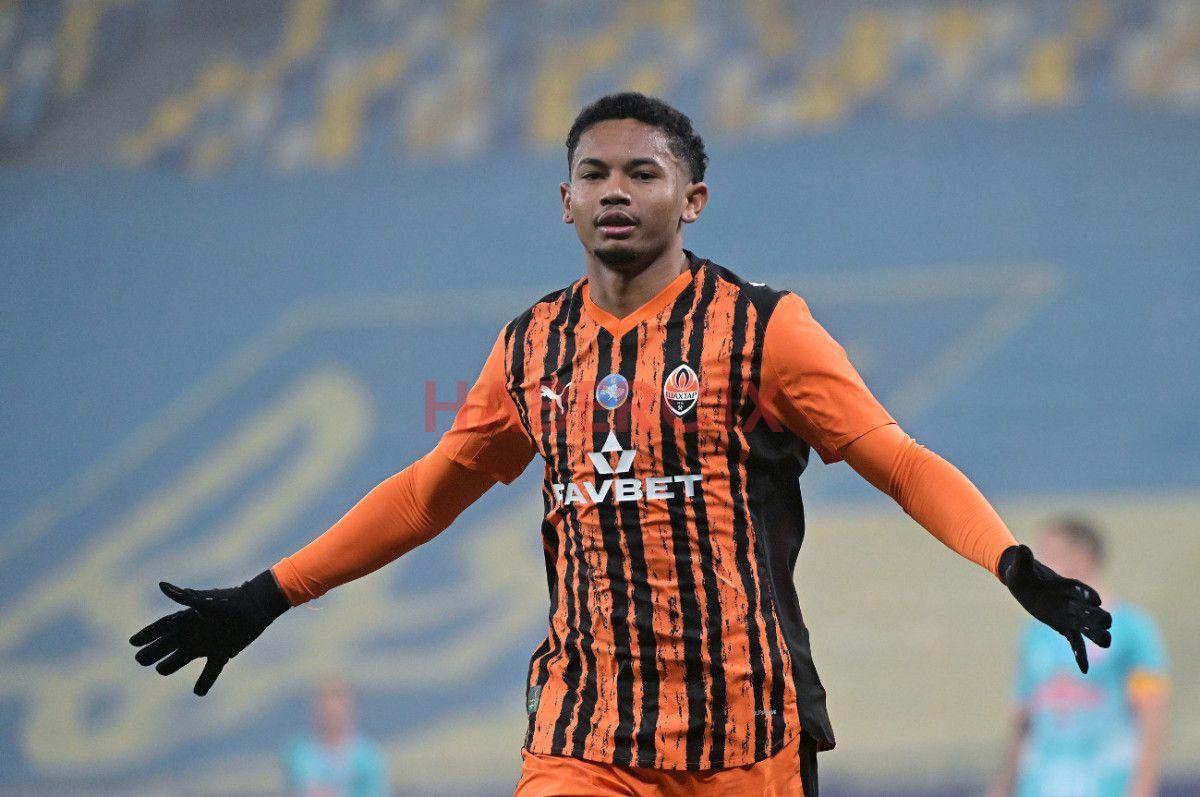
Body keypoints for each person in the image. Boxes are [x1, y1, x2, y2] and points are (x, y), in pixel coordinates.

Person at [130, 93, 1112, 796]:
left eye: (644, 172)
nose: (616, 189)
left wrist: (1010, 561)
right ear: (564, 200)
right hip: (585, 732)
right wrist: (269, 593)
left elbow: (898, 460)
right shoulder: (529, 349)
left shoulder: (766, 331)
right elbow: (426, 497)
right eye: (594, 173)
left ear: (693, 200)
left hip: (746, 732)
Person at [987, 518, 1168, 797]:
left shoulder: (1133, 630)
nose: (1038, 567)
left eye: (1049, 555)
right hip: (1040, 787)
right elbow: (1023, 721)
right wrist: (1002, 789)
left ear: (1083, 557)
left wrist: (1143, 788)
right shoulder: (1034, 635)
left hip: (1108, 785)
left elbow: (1152, 714)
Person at [283, 680, 389, 797]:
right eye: (324, 704)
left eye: (338, 704)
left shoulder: (368, 756)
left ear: (352, 709)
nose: (331, 711)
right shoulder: (298, 751)